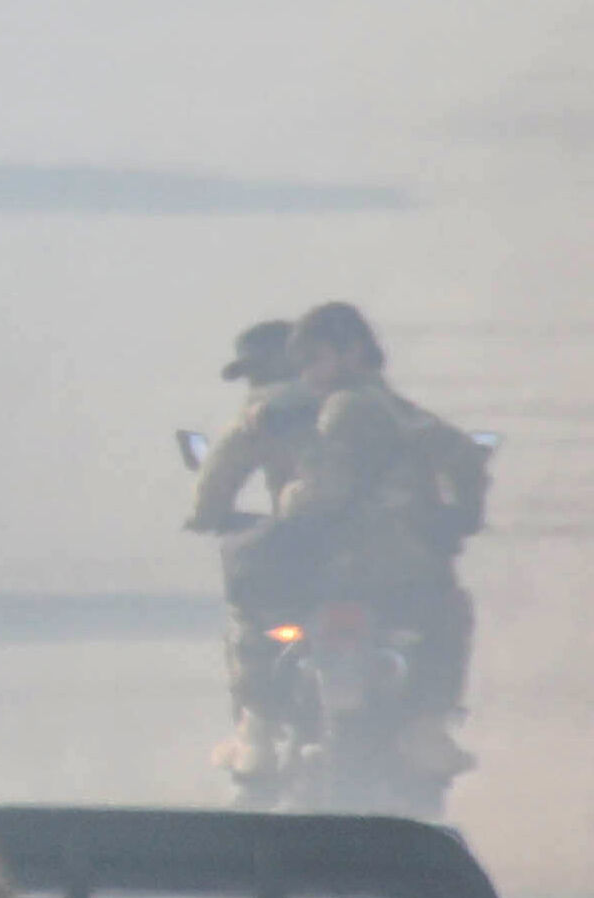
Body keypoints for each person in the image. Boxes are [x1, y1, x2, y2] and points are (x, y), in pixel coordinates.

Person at [186, 299, 489, 754]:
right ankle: (429, 725)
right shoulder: (392, 409)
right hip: (393, 571)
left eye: (313, 358)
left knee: (248, 611)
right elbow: (463, 459)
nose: (306, 372)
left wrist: (213, 516)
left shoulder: (290, 411)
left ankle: (259, 728)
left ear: (347, 353)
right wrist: (462, 518)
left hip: (317, 565)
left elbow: (241, 476)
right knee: (447, 612)